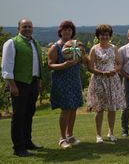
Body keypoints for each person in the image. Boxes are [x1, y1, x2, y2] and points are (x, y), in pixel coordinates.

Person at [1, 18, 43, 157]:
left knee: (28, 114)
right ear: (18, 28)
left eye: (29, 26)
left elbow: (37, 65)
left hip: (33, 83)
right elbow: (6, 67)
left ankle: (27, 142)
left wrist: (39, 81)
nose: (27, 29)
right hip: (19, 84)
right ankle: (18, 148)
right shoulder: (11, 43)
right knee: (18, 116)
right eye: (24, 26)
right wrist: (12, 85)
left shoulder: (35, 43)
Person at [48, 20, 85, 149]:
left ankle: (70, 135)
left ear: (72, 32)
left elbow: (83, 60)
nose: (67, 32)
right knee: (65, 109)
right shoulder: (55, 47)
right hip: (62, 81)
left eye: (69, 30)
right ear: (60, 31)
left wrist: (83, 55)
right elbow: (50, 64)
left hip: (74, 80)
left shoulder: (77, 45)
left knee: (74, 108)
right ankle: (62, 138)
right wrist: (63, 65)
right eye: (65, 29)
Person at [87, 24, 124, 143]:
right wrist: (102, 73)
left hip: (112, 80)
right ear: (98, 36)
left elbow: (119, 64)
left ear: (110, 36)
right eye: (102, 34)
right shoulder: (94, 49)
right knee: (99, 108)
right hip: (99, 81)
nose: (104, 37)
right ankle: (98, 135)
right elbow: (90, 67)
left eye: (106, 34)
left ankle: (111, 132)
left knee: (112, 108)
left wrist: (115, 70)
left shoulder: (114, 48)